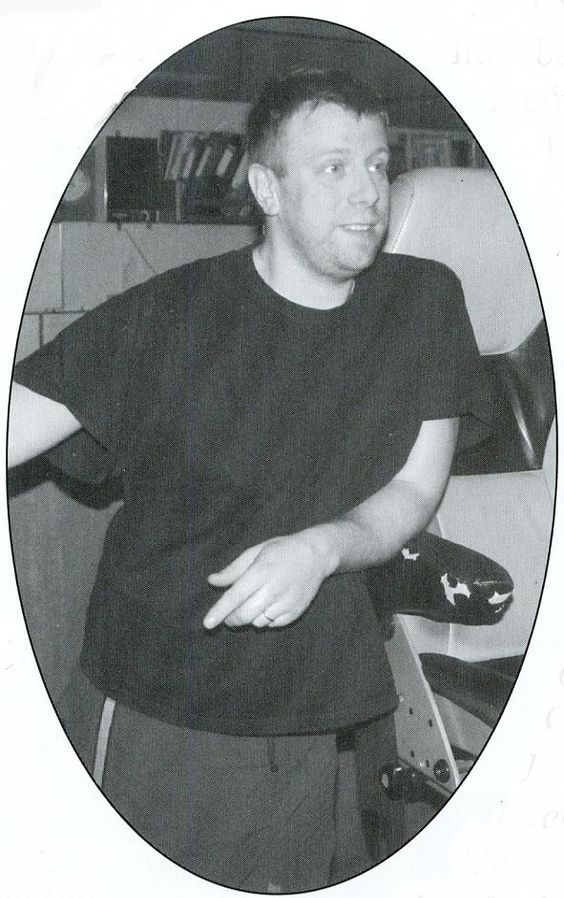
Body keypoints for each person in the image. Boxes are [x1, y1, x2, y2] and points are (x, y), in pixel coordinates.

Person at [8, 69, 493, 891]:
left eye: (378, 166)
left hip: (309, 704)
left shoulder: (425, 304)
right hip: (170, 705)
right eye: (334, 168)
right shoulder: (169, 317)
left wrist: (322, 548)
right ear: (267, 189)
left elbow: (415, 489)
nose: (368, 192)